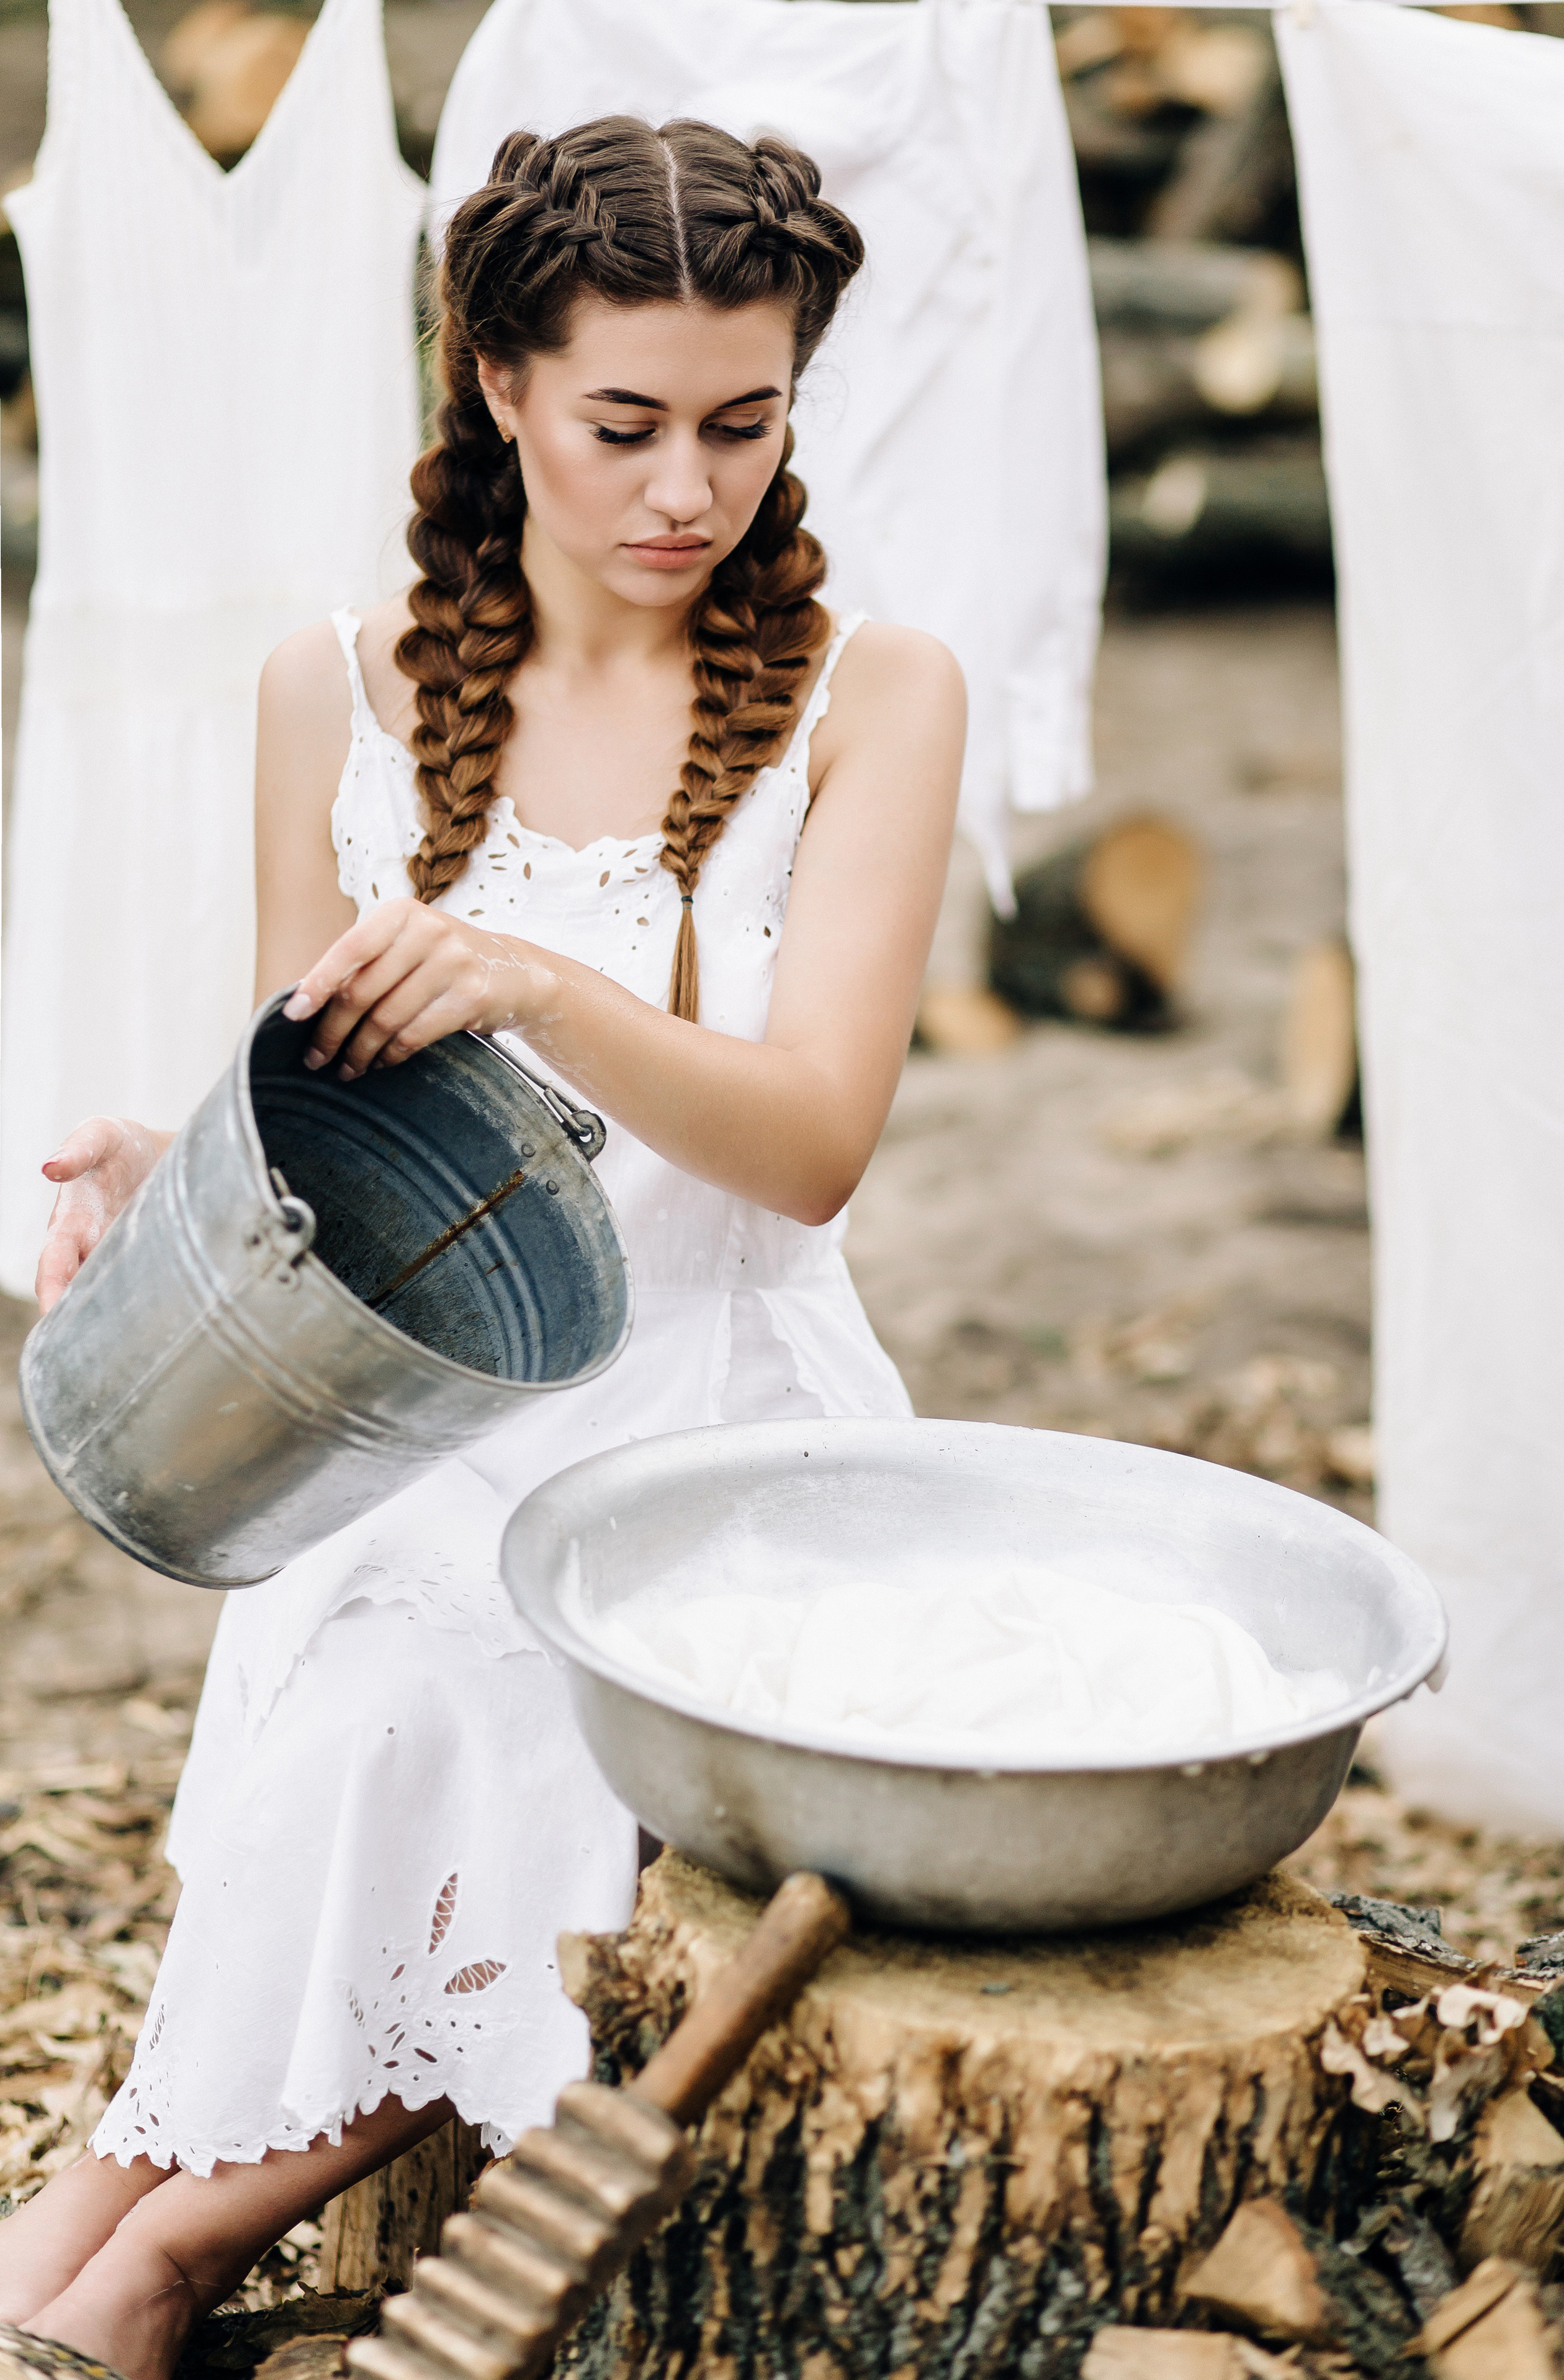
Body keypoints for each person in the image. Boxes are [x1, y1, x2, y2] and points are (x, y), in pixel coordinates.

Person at [0, 115, 962, 2380]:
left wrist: (550, 986)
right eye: (624, 422)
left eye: (746, 424)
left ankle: (146, 2271)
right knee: (360, 1670)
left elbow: (814, 1148)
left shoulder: (869, 700)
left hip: (715, 1440)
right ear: (498, 384)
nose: (684, 488)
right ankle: (70, 2255)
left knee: (472, 1696)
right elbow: (309, 1104)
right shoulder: (328, 692)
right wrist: (182, 1173)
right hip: (415, 1422)